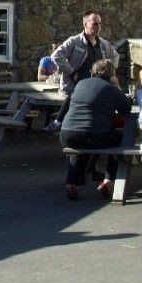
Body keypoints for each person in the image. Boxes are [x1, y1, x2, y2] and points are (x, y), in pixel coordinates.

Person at [59, 58, 131, 200]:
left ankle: (72, 182)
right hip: (94, 135)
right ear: (111, 75)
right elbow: (126, 109)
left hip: (67, 134)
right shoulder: (110, 88)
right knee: (122, 140)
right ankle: (108, 180)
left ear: (93, 72)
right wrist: (117, 86)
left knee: (80, 147)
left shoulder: (80, 84)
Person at [52, 11, 120, 96]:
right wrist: (71, 72)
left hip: (96, 92)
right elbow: (56, 56)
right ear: (85, 25)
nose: (98, 27)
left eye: (100, 24)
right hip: (74, 91)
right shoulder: (74, 42)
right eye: (95, 24)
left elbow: (115, 56)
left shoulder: (104, 44)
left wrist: (109, 73)